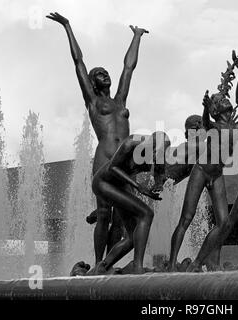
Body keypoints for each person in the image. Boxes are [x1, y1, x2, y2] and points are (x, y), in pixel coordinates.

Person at [46, 12, 149, 264]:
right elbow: (78, 61)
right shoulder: (93, 102)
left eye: (106, 72)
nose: (106, 75)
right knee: (104, 212)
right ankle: (96, 265)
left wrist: (136, 37)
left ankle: (110, 264)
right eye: (100, 73)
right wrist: (67, 26)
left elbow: (128, 68)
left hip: (124, 160)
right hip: (104, 158)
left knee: (125, 215)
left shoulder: (119, 100)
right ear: (93, 82)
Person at [168, 61, 238, 272]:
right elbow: (206, 124)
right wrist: (205, 109)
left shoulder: (237, 125)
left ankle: (205, 260)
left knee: (224, 223)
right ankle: (171, 264)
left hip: (217, 175)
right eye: (220, 99)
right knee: (186, 218)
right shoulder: (214, 125)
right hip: (202, 171)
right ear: (216, 108)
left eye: (223, 97)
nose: (224, 99)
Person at [83, 132, 171, 275]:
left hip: (121, 185)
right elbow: (113, 167)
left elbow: (159, 175)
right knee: (146, 214)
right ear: (149, 144)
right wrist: (138, 187)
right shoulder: (131, 143)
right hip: (104, 182)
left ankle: (102, 266)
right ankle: (137, 267)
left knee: (131, 238)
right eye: (154, 152)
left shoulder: (159, 155)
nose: (156, 157)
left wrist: (158, 186)